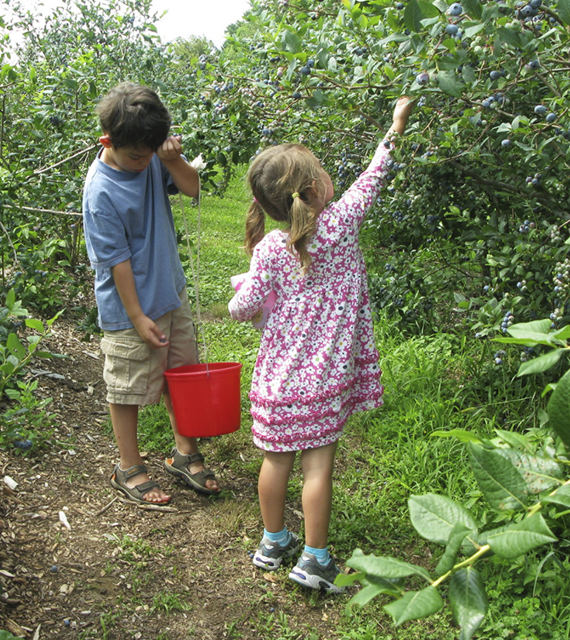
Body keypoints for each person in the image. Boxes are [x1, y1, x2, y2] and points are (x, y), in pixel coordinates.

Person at [228, 97, 415, 592]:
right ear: (316, 188)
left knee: (276, 461)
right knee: (317, 467)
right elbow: (376, 174)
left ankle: (272, 542)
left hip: (274, 380)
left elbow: (241, 309)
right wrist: (395, 125)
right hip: (324, 378)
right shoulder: (341, 223)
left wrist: (253, 289)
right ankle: (314, 560)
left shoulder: (269, 249)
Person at [82, 82, 221, 504]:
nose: (144, 164)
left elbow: (193, 189)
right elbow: (117, 261)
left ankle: (185, 453)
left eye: (149, 154)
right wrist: (138, 316)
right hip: (131, 307)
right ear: (108, 141)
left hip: (170, 291)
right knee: (126, 386)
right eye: (135, 157)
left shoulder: (154, 157)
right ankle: (129, 467)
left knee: (181, 375)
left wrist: (173, 159)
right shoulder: (100, 191)